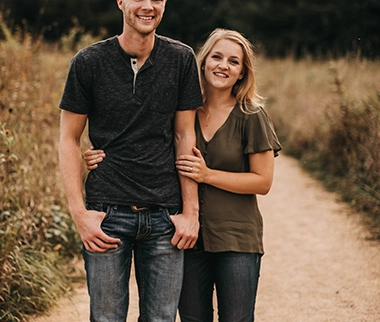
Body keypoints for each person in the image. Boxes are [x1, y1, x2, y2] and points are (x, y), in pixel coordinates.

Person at [85, 28, 282, 322]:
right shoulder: (181, 111)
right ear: (203, 62)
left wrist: (207, 174)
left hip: (237, 237)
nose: (223, 66)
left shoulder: (251, 115)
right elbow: (144, 140)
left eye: (233, 61)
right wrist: (98, 154)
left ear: (242, 72)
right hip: (186, 237)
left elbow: (263, 182)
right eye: (216, 57)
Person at [58, 0, 203, 322]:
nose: (147, 6)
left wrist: (190, 213)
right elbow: (67, 138)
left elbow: (185, 136)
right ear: (121, 1)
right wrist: (80, 216)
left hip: (164, 215)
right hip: (106, 212)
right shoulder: (89, 62)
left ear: (165, 5)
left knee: (161, 319)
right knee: (106, 318)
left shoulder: (181, 59)